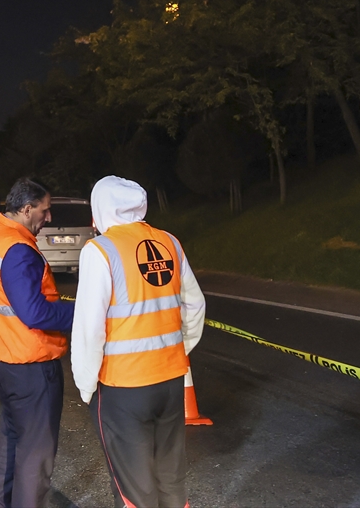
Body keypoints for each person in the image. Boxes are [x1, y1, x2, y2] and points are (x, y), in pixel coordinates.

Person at [71, 176, 205, 508]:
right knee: (171, 476)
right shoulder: (169, 242)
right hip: (171, 379)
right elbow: (194, 305)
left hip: (123, 386)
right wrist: (177, 349)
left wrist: (85, 383)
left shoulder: (100, 249)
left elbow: (90, 326)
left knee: (135, 487)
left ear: (100, 210)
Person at [0, 178, 74, 508]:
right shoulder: (18, 249)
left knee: (13, 442)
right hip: (30, 362)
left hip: (2, 358)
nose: (48, 218)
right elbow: (34, 312)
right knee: (36, 455)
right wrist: (83, 313)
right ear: (27, 209)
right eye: (45, 211)